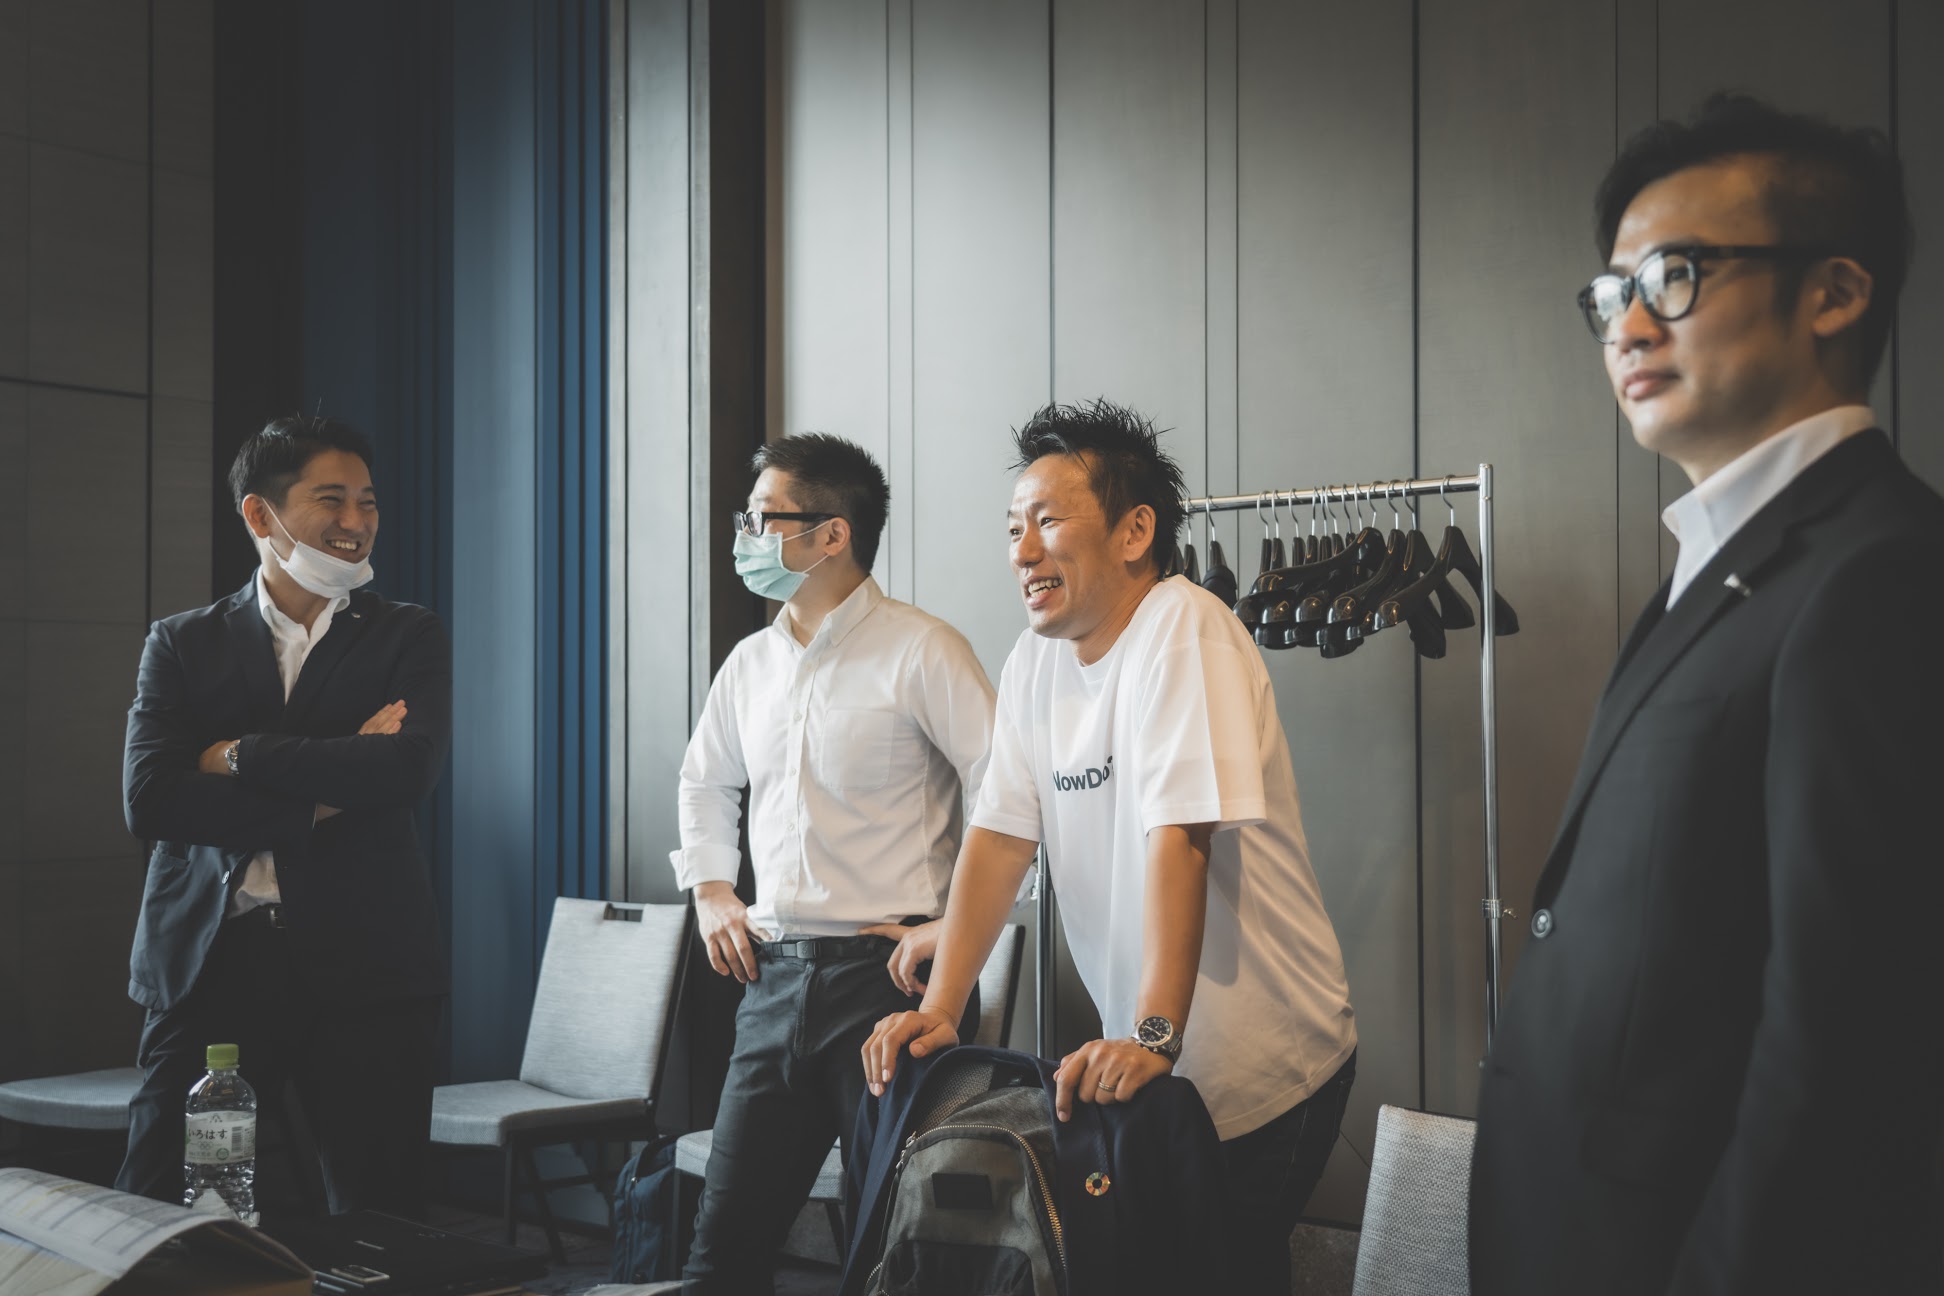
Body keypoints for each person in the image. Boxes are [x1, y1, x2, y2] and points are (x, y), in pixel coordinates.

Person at [1470, 93, 1943, 1293]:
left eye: (1673, 276)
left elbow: (1847, 1055)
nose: (1626, 326)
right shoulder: (1721, 555)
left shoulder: (1880, 572)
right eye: (1611, 293)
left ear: (1835, 292)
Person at [861, 399, 1358, 1296]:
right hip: (1153, 1067)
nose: (1022, 551)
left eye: (1048, 521)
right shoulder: (1034, 663)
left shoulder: (1185, 628)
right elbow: (999, 839)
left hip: (1264, 1063)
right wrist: (944, 1006)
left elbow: (1181, 841)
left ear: (1135, 531)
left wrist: (1152, 1032)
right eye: (1013, 528)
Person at [673, 433, 995, 1294]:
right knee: (720, 1256)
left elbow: (1007, 796)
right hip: (771, 982)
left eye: (761, 519)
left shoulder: (924, 648)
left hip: (887, 985)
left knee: (896, 1254)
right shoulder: (751, 663)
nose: (744, 535)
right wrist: (711, 888)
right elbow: (705, 780)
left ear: (831, 534)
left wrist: (954, 926)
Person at [118, 415, 451, 1215]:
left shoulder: (407, 633)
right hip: (213, 962)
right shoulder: (181, 643)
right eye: (331, 499)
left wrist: (236, 754)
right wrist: (331, 784)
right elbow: (153, 798)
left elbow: (404, 771)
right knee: (163, 1205)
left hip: (367, 963)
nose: (356, 521)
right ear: (259, 514)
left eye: (368, 501)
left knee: (381, 1220)